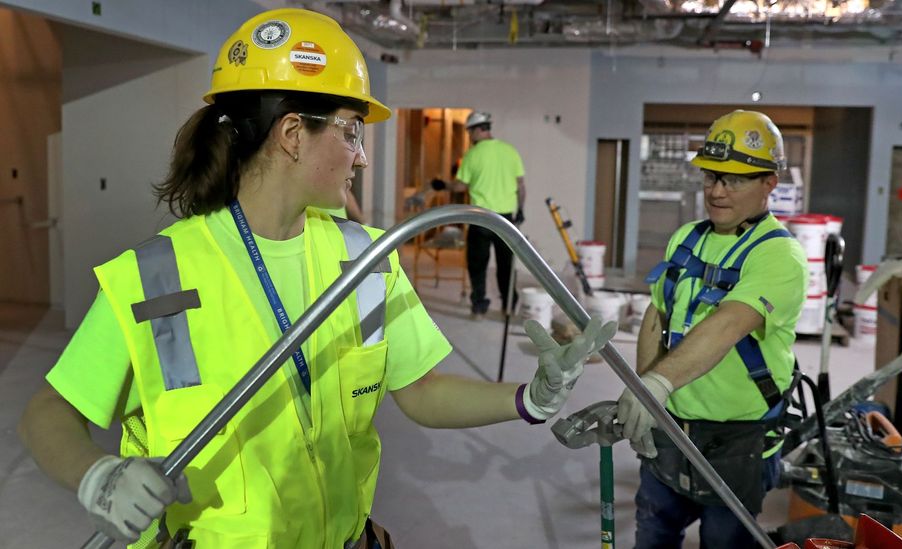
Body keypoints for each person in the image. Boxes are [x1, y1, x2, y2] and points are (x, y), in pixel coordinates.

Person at [17, 9, 616, 549]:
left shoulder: (366, 260)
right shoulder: (154, 276)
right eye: (352, 129)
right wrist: (96, 474)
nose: (360, 155)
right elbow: (49, 410)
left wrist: (528, 399)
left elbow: (421, 391)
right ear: (293, 133)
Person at [616, 110, 809, 548]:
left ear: (769, 183)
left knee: (723, 542)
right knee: (654, 532)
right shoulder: (686, 238)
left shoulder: (778, 257)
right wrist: (648, 393)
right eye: (712, 177)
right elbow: (657, 316)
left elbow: (727, 325)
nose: (718, 191)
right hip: (672, 427)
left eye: (735, 180)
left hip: (737, 440)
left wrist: (659, 382)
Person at [431, 111, 526, 319]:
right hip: (505, 220)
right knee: (506, 266)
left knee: (477, 265)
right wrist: (521, 210)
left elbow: (460, 185)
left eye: (470, 131)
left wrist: (442, 185)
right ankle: (509, 307)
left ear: (478, 129)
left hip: (480, 218)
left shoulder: (472, 155)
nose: (469, 136)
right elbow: (520, 185)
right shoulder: (510, 151)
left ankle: (479, 308)